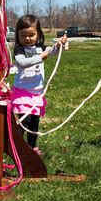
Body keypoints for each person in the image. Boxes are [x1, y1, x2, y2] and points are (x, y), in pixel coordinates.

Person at [11, 15, 67, 155]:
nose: (27, 38)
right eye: (23, 35)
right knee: (24, 121)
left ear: (38, 34)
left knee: (35, 123)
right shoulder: (19, 50)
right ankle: (15, 145)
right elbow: (22, 63)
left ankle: (31, 147)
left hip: (37, 94)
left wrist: (58, 45)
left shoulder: (40, 48)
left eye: (31, 35)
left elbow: (52, 52)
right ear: (18, 35)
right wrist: (40, 57)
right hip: (23, 92)